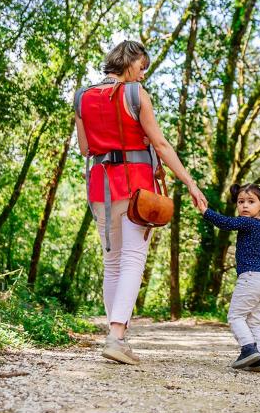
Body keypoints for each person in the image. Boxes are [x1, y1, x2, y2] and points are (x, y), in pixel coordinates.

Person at [75, 40, 207, 365]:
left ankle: (114, 336)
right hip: (135, 187)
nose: (143, 75)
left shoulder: (82, 96)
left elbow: (84, 148)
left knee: (112, 263)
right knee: (133, 259)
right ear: (130, 61)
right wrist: (189, 182)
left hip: (100, 187)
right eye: (142, 67)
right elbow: (160, 144)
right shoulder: (135, 95)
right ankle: (117, 336)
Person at [197, 184, 260, 371]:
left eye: (251, 202)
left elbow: (225, 223)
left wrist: (205, 211)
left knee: (235, 317)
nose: (245, 206)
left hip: (250, 279)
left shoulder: (248, 223)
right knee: (254, 321)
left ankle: (248, 349)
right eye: (241, 202)